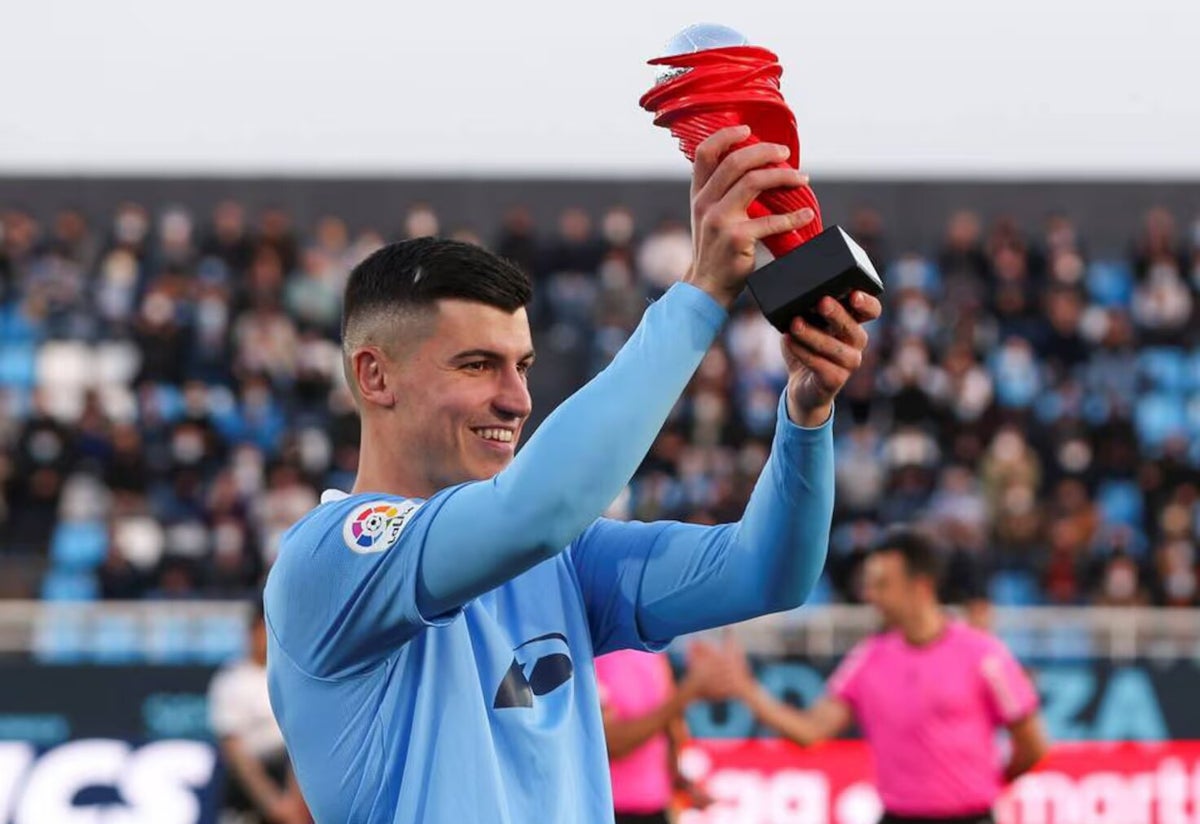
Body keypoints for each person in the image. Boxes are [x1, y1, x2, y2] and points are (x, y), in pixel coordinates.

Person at [263, 125, 883, 823]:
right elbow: (536, 513)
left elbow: (768, 572)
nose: (516, 398)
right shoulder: (332, 558)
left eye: (522, 366)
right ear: (375, 375)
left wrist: (805, 419)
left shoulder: (560, 560)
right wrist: (701, 293)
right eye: (476, 365)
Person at [719, 525, 1049, 824]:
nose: (870, 596)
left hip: (971, 815)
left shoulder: (983, 655)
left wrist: (985, 786)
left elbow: (1032, 745)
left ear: (920, 587)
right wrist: (746, 689)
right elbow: (811, 731)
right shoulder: (868, 658)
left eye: (882, 585)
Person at [596, 644, 731, 824]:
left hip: (657, 806)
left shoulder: (652, 652)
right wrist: (690, 690)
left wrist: (681, 782)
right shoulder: (593, 657)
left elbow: (670, 725)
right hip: (611, 809)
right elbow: (612, 744)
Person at [208, 603, 309, 824]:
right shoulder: (232, 680)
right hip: (250, 787)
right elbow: (235, 751)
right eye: (263, 629)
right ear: (251, 633)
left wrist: (294, 801)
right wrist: (273, 803)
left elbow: (302, 740)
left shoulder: (294, 676)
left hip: (293, 783)